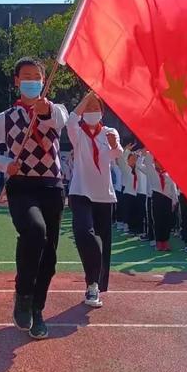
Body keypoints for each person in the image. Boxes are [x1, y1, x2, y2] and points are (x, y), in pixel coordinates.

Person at [0, 56, 69, 340]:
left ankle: (37, 310)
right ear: (17, 81)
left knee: (49, 257)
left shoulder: (55, 111)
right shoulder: (6, 118)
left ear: (43, 80)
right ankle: (23, 295)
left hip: (52, 186)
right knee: (34, 231)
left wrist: (46, 109)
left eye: (36, 77)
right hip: (22, 185)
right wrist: (5, 164)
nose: (31, 81)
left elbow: (62, 120)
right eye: (25, 77)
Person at [66, 91, 123, 308]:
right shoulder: (77, 133)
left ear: (102, 112)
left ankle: (94, 286)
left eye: (95, 108)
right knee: (84, 233)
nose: (91, 112)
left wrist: (114, 146)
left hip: (103, 195)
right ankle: (92, 282)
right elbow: (72, 119)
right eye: (87, 108)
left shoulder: (110, 131)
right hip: (80, 192)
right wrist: (88, 96)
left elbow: (113, 156)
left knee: (102, 242)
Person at [140, 151, 179, 251]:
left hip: (167, 199)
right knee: (157, 221)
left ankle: (165, 241)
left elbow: (173, 187)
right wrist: (153, 149)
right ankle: (159, 242)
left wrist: (174, 201)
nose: (160, 163)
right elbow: (148, 161)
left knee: (167, 221)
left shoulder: (168, 173)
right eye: (157, 161)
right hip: (157, 197)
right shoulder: (152, 171)